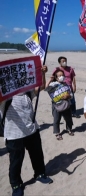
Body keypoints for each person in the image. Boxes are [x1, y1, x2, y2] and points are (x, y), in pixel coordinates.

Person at [2, 65, 53, 196]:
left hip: (32, 130)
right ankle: (16, 184)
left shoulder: (27, 93)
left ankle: (40, 174)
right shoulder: (6, 97)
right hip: (14, 135)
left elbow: (40, 87)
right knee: (16, 161)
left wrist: (42, 74)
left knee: (37, 155)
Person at [45, 70, 74, 140]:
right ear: (56, 77)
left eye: (63, 75)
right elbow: (46, 88)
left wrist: (69, 96)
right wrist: (50, 80)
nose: (62, 77)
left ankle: (69, 129)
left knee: (68, 118)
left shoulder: (66, 84)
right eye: (60, 75)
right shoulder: (53, 84)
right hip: (56, 105)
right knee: (56, 120)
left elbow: (71, 94)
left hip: (66, 104)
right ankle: (57, 133)